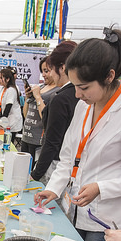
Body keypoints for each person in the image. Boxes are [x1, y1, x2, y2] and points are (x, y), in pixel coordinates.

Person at [34, 28, 121, 241]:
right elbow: (69, 156)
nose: (78, 94)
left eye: (83, 87)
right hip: (77, 210)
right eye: (75, 86)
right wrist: (54, 187)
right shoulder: (85, 106)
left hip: (108, 219)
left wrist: (101, 188)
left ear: (109, 76)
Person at [30, 41, 78, 184]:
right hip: (71, 165)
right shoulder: (77, 94)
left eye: (50, 69)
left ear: (62, 68)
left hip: (56, 165)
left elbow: (52, 142)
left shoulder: (61, 98)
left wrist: (35, 174)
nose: (49, 74)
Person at [21, 56, 58, 166]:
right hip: (26, 137)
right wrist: (28, 97)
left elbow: (48, 118)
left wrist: (38, 97)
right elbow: (26, 114)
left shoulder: (57, 91)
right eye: (42, 71)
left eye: (46, 71)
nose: (44, 74)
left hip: (38, 141)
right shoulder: (40, 87)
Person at [0, 68, 23, 147]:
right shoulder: (3, 89)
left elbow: (8, 106)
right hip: (7, 121)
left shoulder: (11, 90)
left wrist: (2, 121)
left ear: (7, 79)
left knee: (8, 143)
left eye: (1, 78)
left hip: (12, 121)